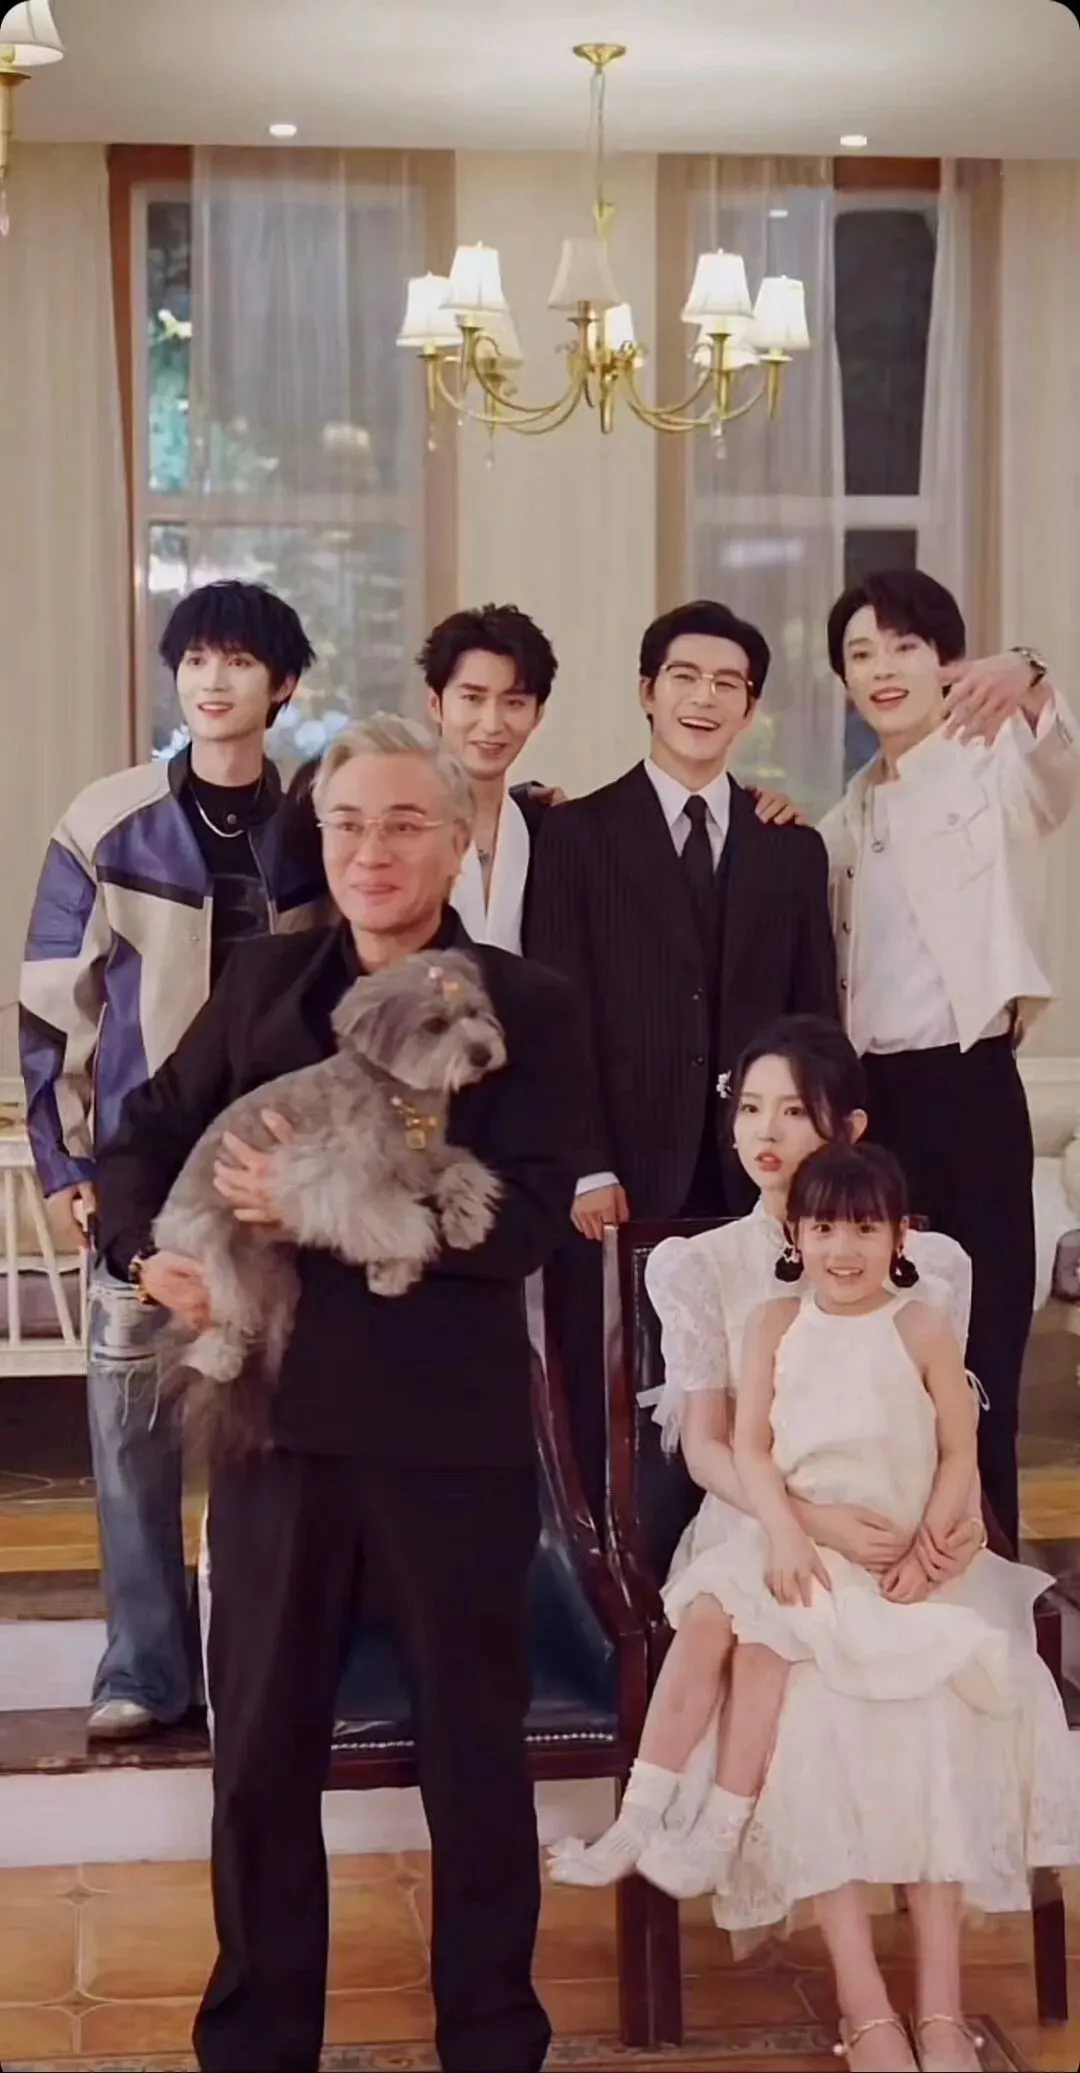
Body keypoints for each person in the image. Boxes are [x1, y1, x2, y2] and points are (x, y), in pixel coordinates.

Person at [93, 714, 588, 2073]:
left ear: (459, 838)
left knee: (474, 1762)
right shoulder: (265, 979)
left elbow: (529, 1222)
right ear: (320, 837)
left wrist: (310, 1214)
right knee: (258, 1760)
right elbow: (140, 1137)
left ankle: (493, 2040)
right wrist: (150, 1256)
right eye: (349, 822)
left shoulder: (527, 1005)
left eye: (406, 822)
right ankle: (256, 2044)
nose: (374, 850)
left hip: (447, 1440)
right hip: (276, 1435)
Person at [551, 1016, 978, 1897]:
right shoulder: (700, 1264)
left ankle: (762, 1840)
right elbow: (709, 1446)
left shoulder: (926, 1262)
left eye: (793, 1110)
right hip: (752, 1511)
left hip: (885, 1513)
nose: (765, 1132)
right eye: (750, 1108)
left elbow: (946, 1428)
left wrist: (955, 1522)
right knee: (732, 1609)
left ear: (849, 1127)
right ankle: (641, 1823)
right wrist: (805, 1520)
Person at [19, 578, 321, 1741]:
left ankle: (261, 1662)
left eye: (238, 661)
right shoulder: (107, 820)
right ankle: (145, 1669)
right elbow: (52, 1004)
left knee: (271, 1426)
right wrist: (66, 1163)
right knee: (130, 1429)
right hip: (141, 1171)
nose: (211, 680)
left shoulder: (313, 827)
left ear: (283, 685)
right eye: (195, 659)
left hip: (271, 1178)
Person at [526, 599, 839, 1519]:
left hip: (758, 1174)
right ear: (647, 692)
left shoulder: (791, 847)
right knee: (617, 1402)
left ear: (750, 708)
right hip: (621, 1175)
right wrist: (586, 1162)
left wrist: (811, 1164)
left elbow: (813, 1023)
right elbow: (555, 1012)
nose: (705, 698)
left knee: (758, 1388)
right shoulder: (576, 835)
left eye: (728, 684)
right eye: (685, 678)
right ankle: (621, 1578)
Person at [820, 568, 1080, 1549]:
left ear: (945, 662)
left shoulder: (992, 762)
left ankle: (990, 1567)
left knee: (983, 1352)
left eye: (904, 646)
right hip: (871, 1108)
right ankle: (898, 1569)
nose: (882, 668)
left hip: (970, 1086)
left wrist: (1033, 676)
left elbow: (1060, 770)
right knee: (885, 1352)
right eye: (861, 653)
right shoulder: (847, 817)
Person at [421, 602, 562, 950]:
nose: (492, 724)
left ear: (537, 715)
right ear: (436, 704)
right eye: (472, 698)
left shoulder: (546, 830)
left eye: (514, 702)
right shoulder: (399, 824)